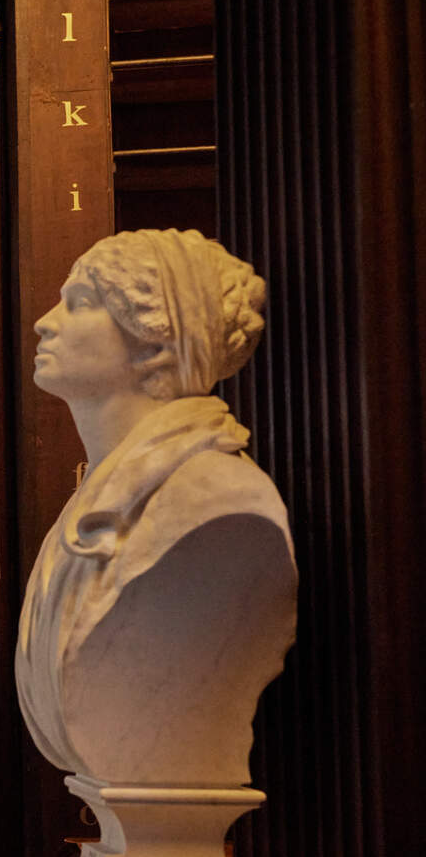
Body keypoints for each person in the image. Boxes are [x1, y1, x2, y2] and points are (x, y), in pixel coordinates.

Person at [17, 228, 289, 790]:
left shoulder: (219, 502)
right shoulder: (88, 508)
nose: (46, 321)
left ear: (158, 341)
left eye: (81, 303)